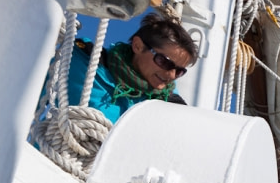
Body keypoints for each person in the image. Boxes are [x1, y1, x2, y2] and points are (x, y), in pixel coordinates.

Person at [58, 12, 198, 124]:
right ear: (138, 46)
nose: (172, 75)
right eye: (165, 62)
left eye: (179, 71)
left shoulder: (170, 104)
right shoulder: (82, 61)